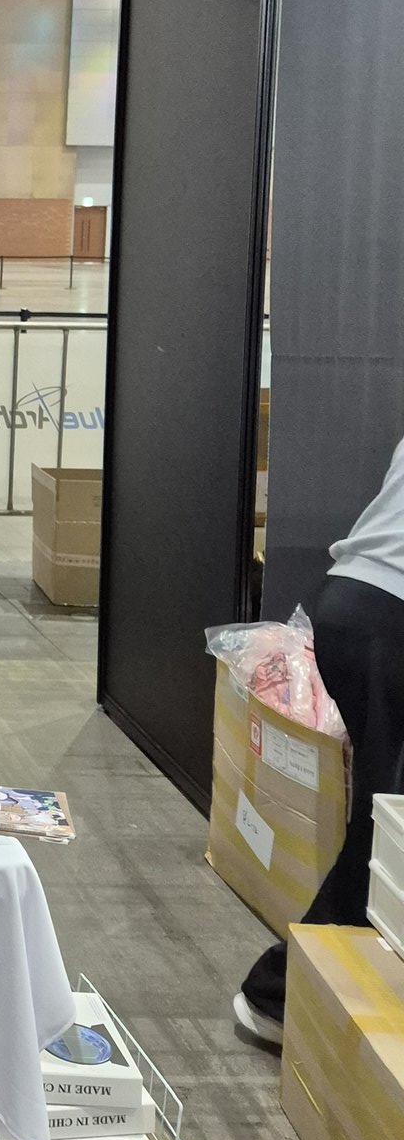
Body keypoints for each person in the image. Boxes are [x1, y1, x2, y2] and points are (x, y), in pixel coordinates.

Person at [235, 433, 404, 1044]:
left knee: (383, 822)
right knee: (387, 833)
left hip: (352, 602)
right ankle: (279, 994)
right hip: (392, 619)